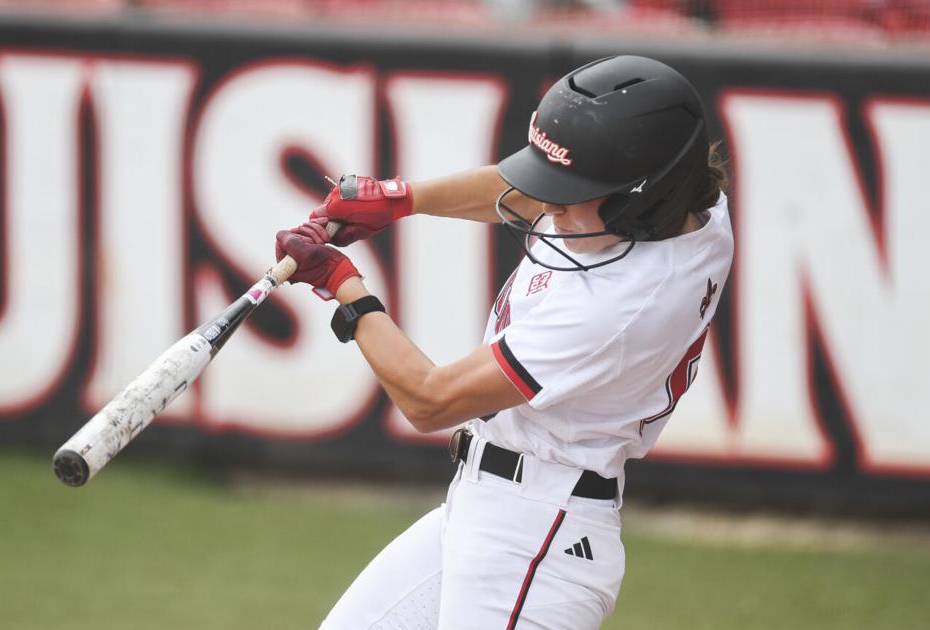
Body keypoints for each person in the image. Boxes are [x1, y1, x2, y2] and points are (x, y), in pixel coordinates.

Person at [274, 55, 734, 630]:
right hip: (486, 507)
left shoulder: (616, 307)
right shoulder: (695, 209)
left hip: (536, 540)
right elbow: (533, 188)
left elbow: (429, 399)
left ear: (640, 199)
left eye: (573, 193)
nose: (550, 205)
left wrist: (344, 286)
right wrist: (399, 197)